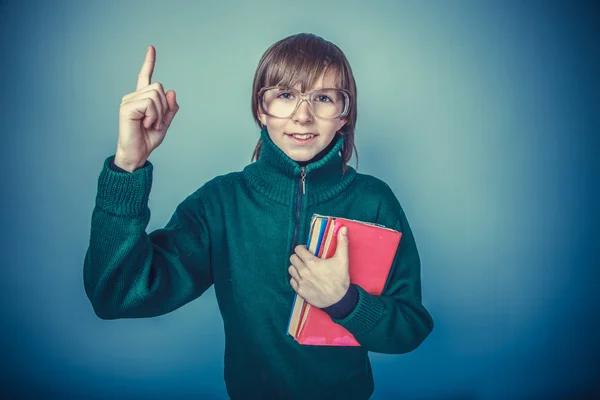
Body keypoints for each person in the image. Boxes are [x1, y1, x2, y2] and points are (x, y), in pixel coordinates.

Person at [84, 33, 434, 399]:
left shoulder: (375, 202)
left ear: (344, 116)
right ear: (260, 110)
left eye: (324, 98)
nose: (303, 114)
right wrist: (127, 165)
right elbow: (116, 295)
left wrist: (344, 302)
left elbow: (410, 327)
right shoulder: (220, 203)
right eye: (284, 95)